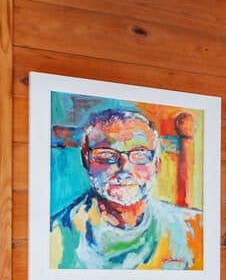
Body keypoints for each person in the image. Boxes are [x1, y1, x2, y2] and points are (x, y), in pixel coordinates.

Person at [49, 107, 203, 271]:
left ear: (156, 164)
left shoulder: (195, 229)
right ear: (86, 160)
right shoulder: (56, 236)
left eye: (139, 154)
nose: (124, 167)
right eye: (107, 155)